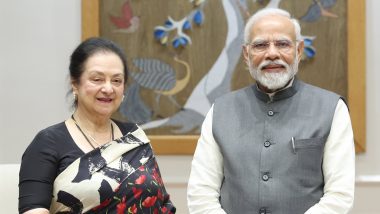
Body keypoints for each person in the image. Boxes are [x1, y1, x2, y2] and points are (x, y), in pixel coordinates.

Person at [187, 8, 355, 214]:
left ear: (299, 50)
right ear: (246, 55)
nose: (272, 53)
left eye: (283, 44)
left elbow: (339, 195)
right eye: (260, 45)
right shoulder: (220, 110)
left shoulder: (332, 108)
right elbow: (201, 192)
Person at [19, 37, 176, 214]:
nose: (108, 89)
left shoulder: (134, 136)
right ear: (75, 84)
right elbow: (33, 210)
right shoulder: (47, 143)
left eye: (116, 81)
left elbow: (162, 203)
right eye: (97, 79)